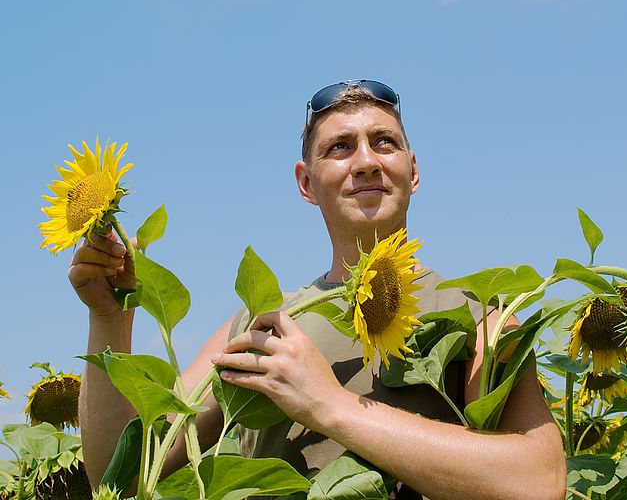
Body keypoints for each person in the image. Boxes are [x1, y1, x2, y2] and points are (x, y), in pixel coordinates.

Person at [71, 79, 567, 500]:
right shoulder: (256, 323)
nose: (367, 161)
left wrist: (329, 405)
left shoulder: (477, 311)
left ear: (412, 171)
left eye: (384, 142)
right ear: (306, 183)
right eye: (340, 147)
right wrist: (110, 319)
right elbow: (125, 474)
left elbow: (538, 481)